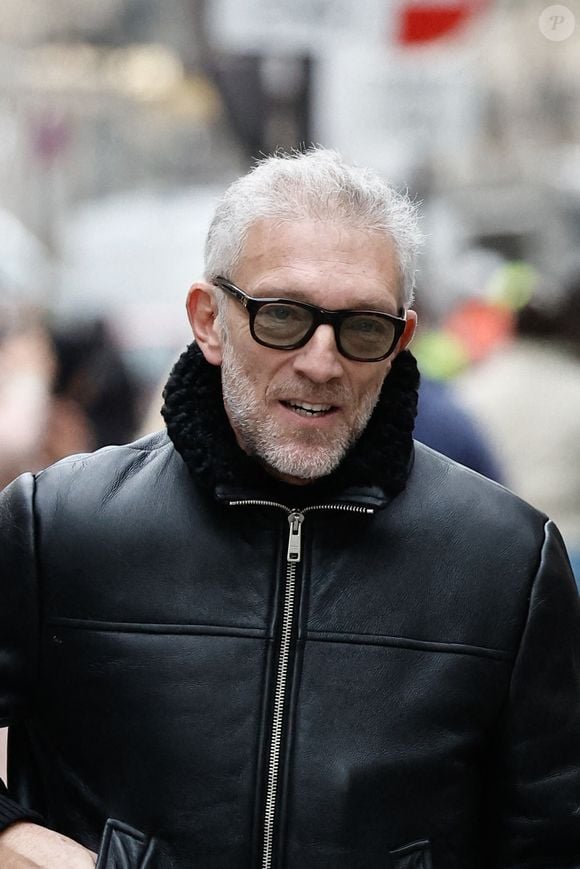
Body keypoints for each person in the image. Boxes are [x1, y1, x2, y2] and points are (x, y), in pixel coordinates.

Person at [0, 148, 578, 869]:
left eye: (362, 327)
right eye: (281, 317)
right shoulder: (58, 524)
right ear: (208, 320)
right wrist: (21, 844)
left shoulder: (508, 560)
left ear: (400, 341)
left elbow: (553, 841)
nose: (321, 360)